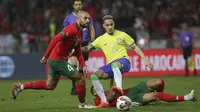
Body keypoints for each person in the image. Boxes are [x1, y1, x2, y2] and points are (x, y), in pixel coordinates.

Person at [11, 11, 96, 109]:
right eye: (85, 18)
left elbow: (78, 51)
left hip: (56, 60)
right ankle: (83, 103)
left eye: (89, 18)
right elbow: (54, 39)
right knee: (80, 78)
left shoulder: (79, 33)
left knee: (49, 85)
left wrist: (83, 65)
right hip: (58, 60)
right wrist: (45, 56)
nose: (88, 20)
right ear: (78, 19)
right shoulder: (71, 29)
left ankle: (20, 87)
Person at [85, 15, 153, 108]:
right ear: (104, 26)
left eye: (111, 24)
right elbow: (88, 48)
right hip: (112, 65)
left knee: (114, 65)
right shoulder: (100, 39)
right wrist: (75, 48)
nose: (110, 27)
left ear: (114, 24)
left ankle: (119, 89)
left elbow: (135, 48)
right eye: (107, 25)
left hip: (124, 61)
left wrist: (145, 60)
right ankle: (104, 101)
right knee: (94, 76)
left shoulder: (122, 35)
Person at [63, 0, 95, 95]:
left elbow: (91, 28)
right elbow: (65, 31)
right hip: (73, 43)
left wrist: (92, 42)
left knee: (82, 65)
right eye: (76, 4)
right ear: (73, 6)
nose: (78, 6)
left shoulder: (87, 16)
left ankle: (80, 86)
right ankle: (74, 87)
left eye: (80, 4)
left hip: (84, 43)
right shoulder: (68, 18)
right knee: (73, 64)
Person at [91, 79, 197, 107]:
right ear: (94, 93)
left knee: (159, 82)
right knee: (156, 95)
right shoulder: (97, 100)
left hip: (133, 89)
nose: (97, 88)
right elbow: (109, 99)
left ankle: (162, 97)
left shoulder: (106, 90)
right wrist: (112, 87)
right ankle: (187, 97)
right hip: (132, 99)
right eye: (94, 89)